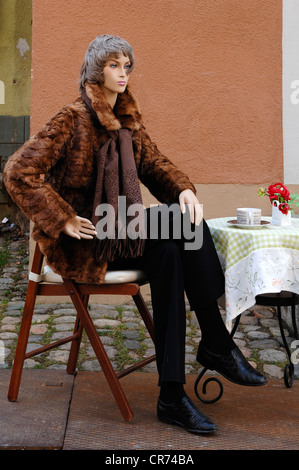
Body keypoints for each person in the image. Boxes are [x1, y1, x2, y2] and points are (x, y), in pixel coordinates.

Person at [3, 35, 266, 435]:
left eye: (127, 65)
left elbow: (156, 164)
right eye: (114, 65)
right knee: (174, 235)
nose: (123, 73)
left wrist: (184, 190)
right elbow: (17, 171)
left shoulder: (127, 124)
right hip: (82, 242)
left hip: (118, 231)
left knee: (180, 234)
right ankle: (213, 343)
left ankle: (174, 392)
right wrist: (63, 218)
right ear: (96, 70)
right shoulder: (71, 119)